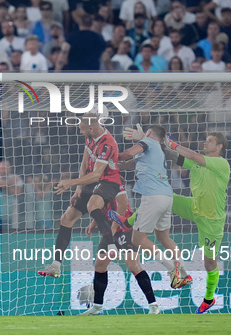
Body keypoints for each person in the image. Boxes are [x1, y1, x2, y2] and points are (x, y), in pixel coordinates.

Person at [122, 125, 230, 314]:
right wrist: (154, 142)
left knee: (209, 262)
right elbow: (173, 157)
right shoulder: (197, 163)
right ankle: (130, 221)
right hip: (193, 206)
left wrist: (171, 142)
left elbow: (193, 156)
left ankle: (209, 298)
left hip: (212, 220)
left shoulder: (221, 163)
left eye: (210, 141)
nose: (205, 142)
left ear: (219, 146)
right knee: (162, 196)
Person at [38, 113, 122, 278]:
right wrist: (79, 189)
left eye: (82, 130)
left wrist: (70, 182)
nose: (80, 132)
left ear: (91, 128)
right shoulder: (90, 136)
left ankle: (112, 246)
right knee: (66, 219)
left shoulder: (108, 144)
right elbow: (84, 162)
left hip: (108, 182)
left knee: (92, 205)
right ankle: (55, 266)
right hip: (91, 182)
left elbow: (97, 175)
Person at [112, 125, 191, 289]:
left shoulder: (147, 142)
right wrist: (115, 167)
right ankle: (184, 273)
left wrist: (110, 157)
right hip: (167, 196)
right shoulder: (157, 151)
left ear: (148, 133)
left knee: (137, 239)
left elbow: (126, 154)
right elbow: (130, 163)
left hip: (152, 196)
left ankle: (172, 270)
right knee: (164, 237)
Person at [82, 186, 161, 315]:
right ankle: (97, 307)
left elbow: (123, 206)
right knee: (100, 264)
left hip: (126, 227)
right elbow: (100, 209)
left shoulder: (115, 181)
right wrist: (93, 224)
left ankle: (153, 305)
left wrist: (112, 229)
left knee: (132, 264)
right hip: (111, 231)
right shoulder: (98, 185)